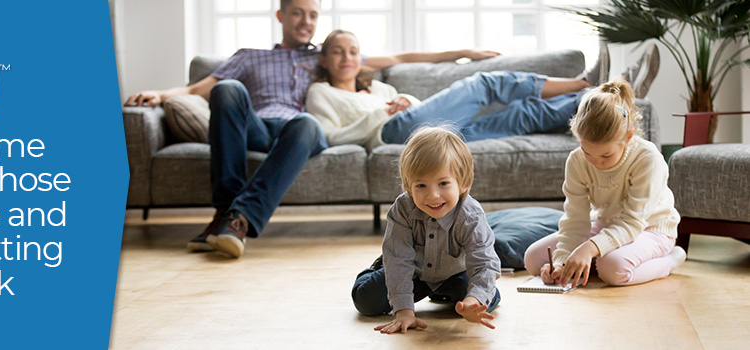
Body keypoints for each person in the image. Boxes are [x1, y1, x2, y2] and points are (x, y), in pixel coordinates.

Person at [123, 0, 498, 258]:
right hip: (259, 127)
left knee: (304, 121)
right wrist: (159, 93)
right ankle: (225, 211)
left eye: (313, 15)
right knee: (226, 89)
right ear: (281, 15)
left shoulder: (324, 56)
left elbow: (401, 58)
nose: (306, 21)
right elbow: (194, 90)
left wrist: (462, 52)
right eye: (298, 13)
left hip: (302, 132)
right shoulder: (249, 57)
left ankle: (237, 220)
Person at [305, 30, 661, 147]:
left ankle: (618, 101)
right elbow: (327, 137)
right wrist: (382, 114)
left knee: (524, 115)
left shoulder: (378, 87)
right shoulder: (321, 93)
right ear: (324, 59)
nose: (347, 57)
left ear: (361, 57)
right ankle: (588, 82)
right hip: (393, 133)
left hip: (429, 134)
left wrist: (403, 100)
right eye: (337, 51)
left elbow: (414, 105)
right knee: (484, 84)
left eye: (353, 51)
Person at [523, 79, 686, 287]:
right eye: (587, 153)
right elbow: (575, 220)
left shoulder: (648, 159)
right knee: (533, 259)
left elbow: (633, 222)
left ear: (628, 138)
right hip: (606, 226)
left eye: (606, 156)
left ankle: (670, 259)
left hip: (650, 228)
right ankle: (590, 263)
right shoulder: (576, 160)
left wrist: (589, 248)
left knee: (612, 270)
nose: (597, 163)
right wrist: (561, 263)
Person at [350, 126, 501, 334]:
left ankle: (445, 292)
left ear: (463, 183)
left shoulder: (471, 215)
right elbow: (399, 261)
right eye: (421, 186)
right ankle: (378, 265)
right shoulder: (403, 209)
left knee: (486, 301)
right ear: (408, 186)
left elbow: (484, 262)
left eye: (443, 183)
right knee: (366, 301)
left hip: (454, 272)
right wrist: (403, 311)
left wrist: (473, 300)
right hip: (413, 271)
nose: (433, 196)